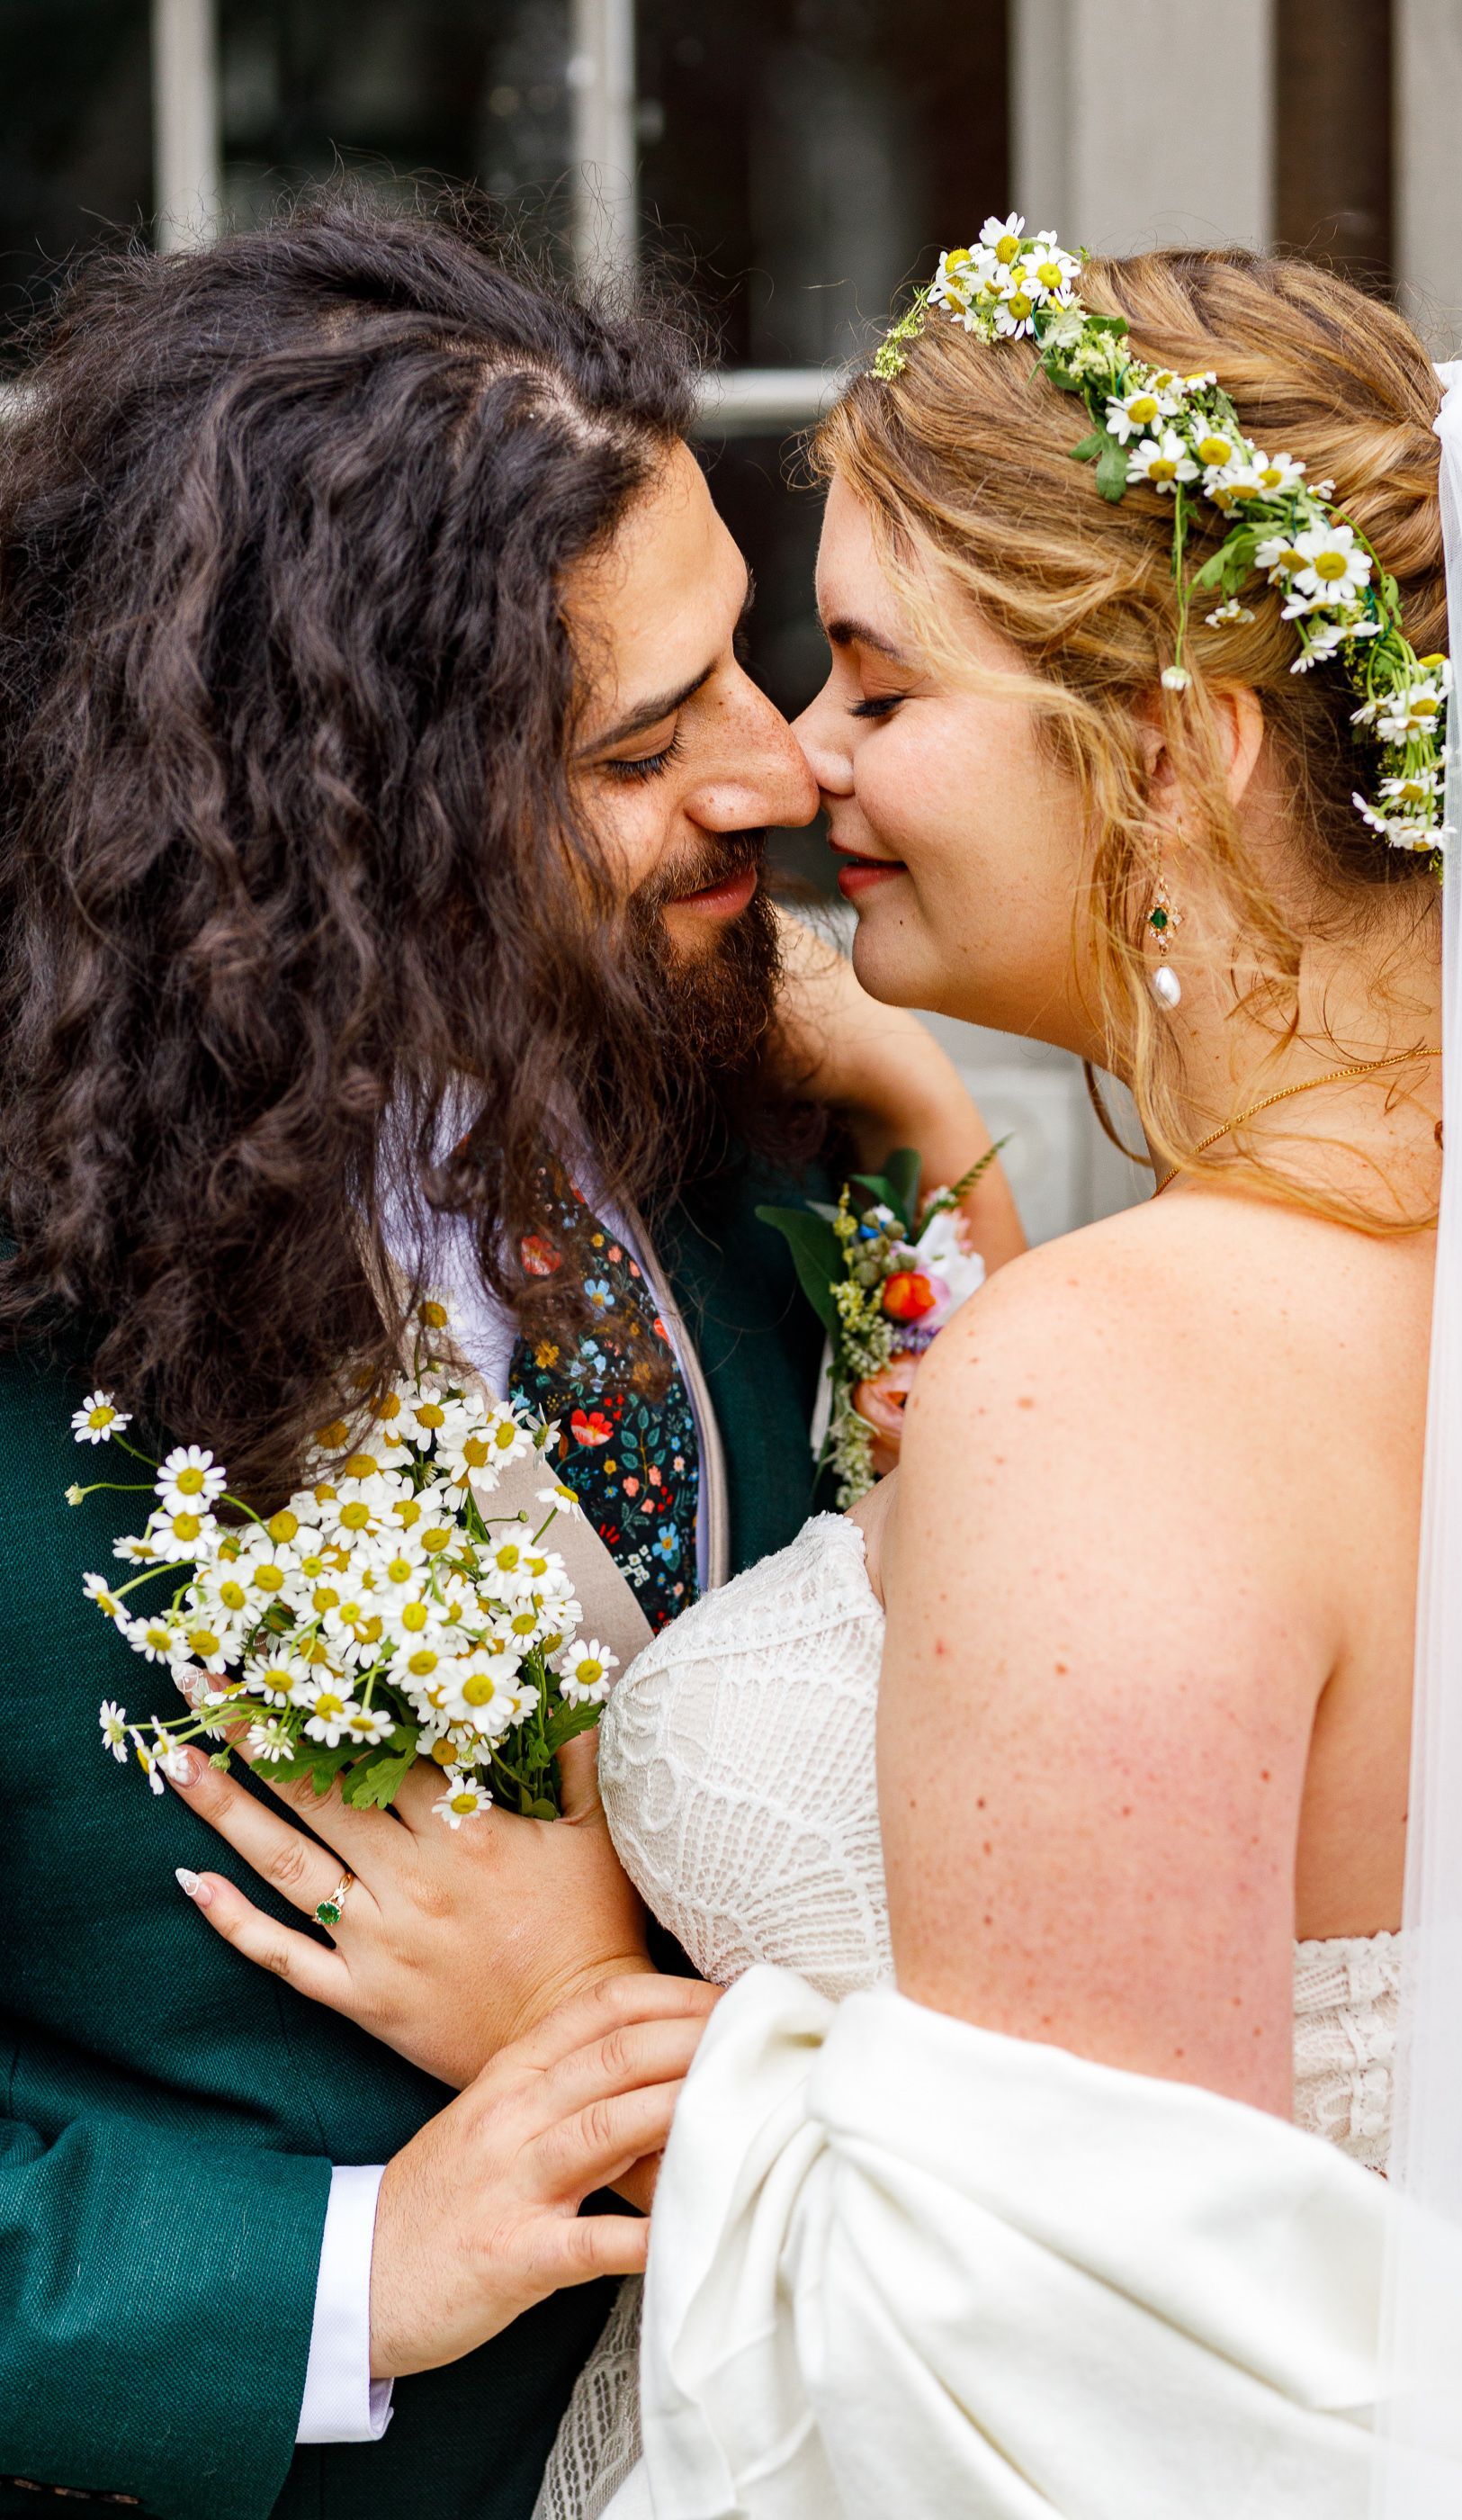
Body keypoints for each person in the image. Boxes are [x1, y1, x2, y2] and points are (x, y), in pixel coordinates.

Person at [167, 233, 1462, 2519]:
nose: (804, 764)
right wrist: (926, 1117)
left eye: (875, 682)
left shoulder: (1123, 1377)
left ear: (1175, 750)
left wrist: (604, 2027)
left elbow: (1072, 2384)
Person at [0, 197, 1020, 2520]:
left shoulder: (755, 1122)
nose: (773, 780)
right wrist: (350, 2271)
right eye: (649, 740)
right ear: (344, 821)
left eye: (751, 669)